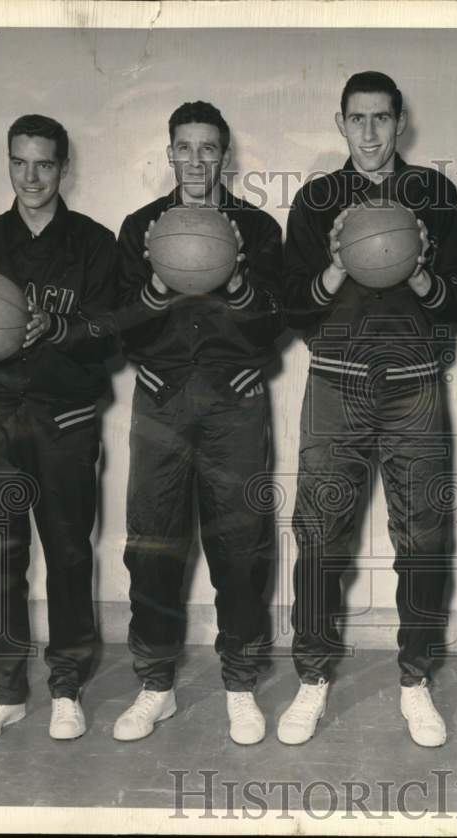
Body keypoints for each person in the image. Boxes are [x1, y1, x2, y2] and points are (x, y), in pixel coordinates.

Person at [278, 71, 457, 747]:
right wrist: (334, 269)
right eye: (357, 119)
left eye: (382, 118)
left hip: (415, 383)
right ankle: (312, 678)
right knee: (320, 536)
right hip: (336, 381)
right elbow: (290, 308)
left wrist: (419, 273)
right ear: (340, 124)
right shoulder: (315, 200)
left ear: (400, 124)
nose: (369, 131)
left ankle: (415, 681)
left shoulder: (433, 196)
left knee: (422, 539)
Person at [0, 114, 118, 745]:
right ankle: (6, 691)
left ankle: (67, 685)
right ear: (8, 162)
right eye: (20, 162)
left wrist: (59, 329)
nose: (32, 176)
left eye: (44, 163)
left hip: (65, 420)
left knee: (68, 555)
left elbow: (116, 330)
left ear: (63, 166)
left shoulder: (95, 244)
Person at [111, 101, 283, 746]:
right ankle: (156, 685)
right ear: (169, 152)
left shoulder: (258, 229)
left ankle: (239, 682)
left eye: (208, 148)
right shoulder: (139, 227)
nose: (196, 160)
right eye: (184, 147)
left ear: (225, 155)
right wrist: (153, 308)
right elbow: (119, 319)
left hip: (234, 400)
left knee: (240, 544)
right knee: (153, 543)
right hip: (160, 398)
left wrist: (237, 286)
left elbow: (277, 319)